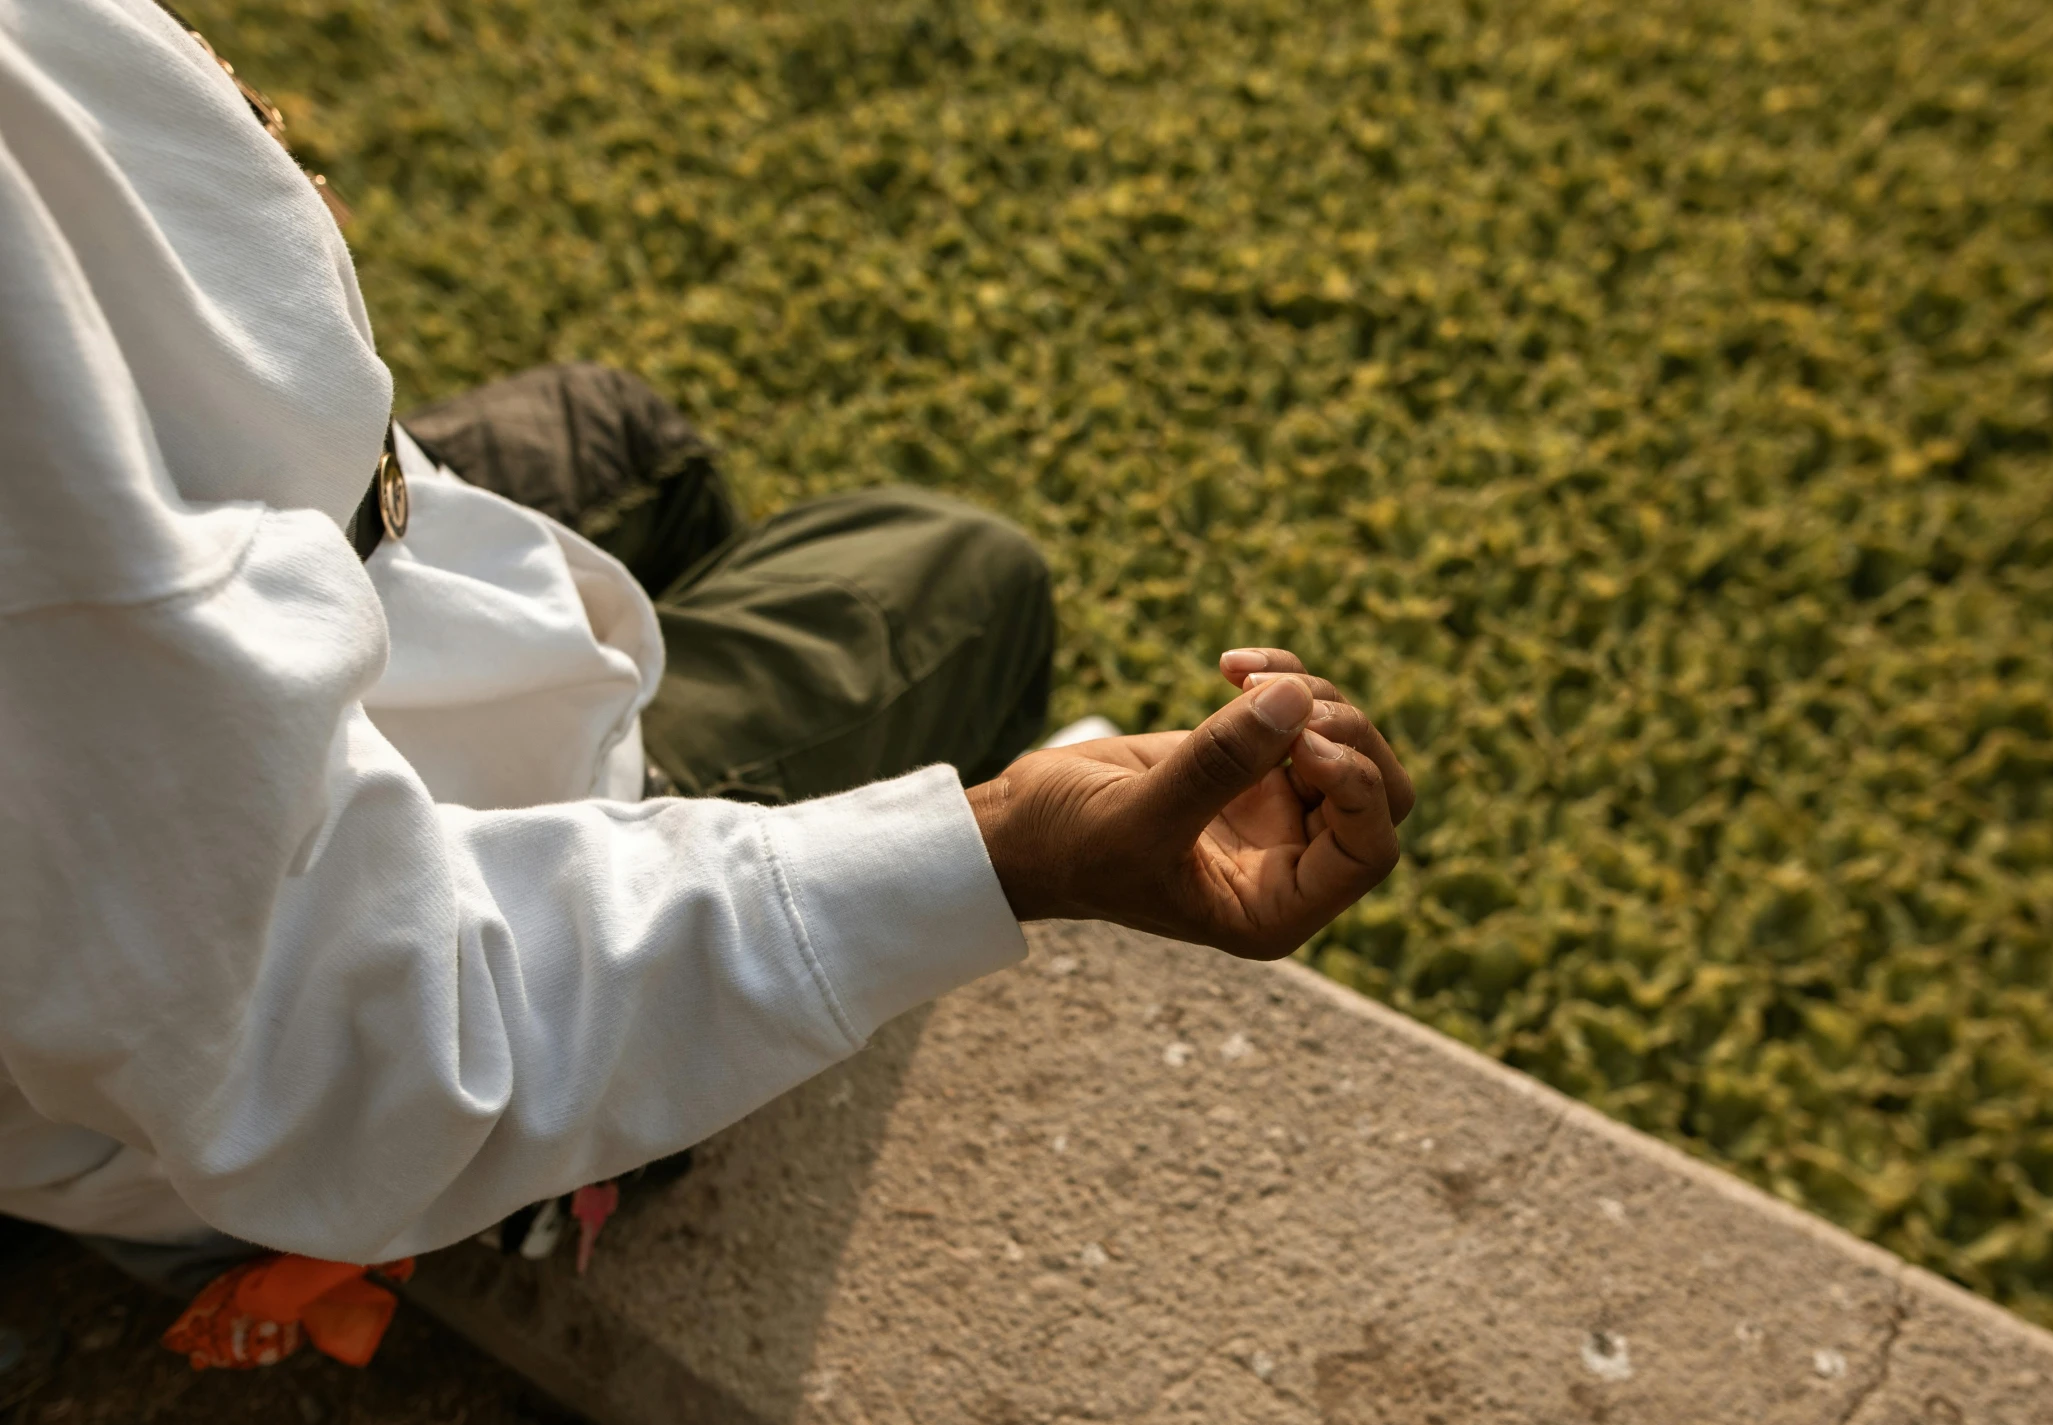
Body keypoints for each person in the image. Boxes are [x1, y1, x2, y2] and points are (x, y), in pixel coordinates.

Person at [0, 0, 1412, 1341]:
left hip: (330, 607)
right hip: (357, 961)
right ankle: (604, 1105)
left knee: (618, 438)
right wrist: (995, 852)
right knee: (959, 583)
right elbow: (332, 1045)